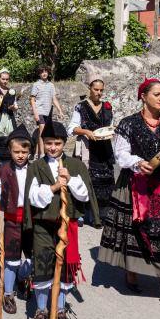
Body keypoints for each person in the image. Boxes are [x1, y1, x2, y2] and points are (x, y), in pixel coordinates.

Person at [98, 78, 160, 310]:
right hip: (136, 185)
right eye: (157, 94)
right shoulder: (128, 123)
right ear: (143, 96)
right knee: (136, 231)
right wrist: (138, 163)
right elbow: (121, 154)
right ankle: (132, 272)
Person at [25, 119, 99, 319]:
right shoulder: (35, 167)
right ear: (43, 143)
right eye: (48, 143)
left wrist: (70, 180)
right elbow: (33, 197)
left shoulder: (76, 166)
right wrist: (56, 186)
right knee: (42, 265)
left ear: (64, 144)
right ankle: (41, 310)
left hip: (67, 225)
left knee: (65, 267)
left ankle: (59, 309)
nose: (53, 148)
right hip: (43, 224)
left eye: (57, 143)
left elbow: (84, 195)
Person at [0, 125, 33, 314]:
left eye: (24, 151)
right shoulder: (4, 170)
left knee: (32, 256)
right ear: (9, 151)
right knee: (12, 257)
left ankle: (23, 278)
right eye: (16, 152)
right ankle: (8, 293)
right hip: (12, 220)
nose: (20, 155)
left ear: (30, 151)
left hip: (32, 221)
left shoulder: (36, 169)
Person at [68, 79, 115, 226]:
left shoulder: (107, 107)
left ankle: (102, 215)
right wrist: (86, 131)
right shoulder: (80, 107)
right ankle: (82, 214)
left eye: (101, 90)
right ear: (90, 89)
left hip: (104, 148)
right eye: (96, 90)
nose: (99, 93)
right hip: (87, 148)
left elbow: (111, 126)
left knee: (105, 181)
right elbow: (71, 128)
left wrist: (111, 131)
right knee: (84, 179)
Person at [30, 65, 63, 157]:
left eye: (46, 71)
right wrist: (35, 113)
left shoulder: (51, 85)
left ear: (48, 73)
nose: (44, 73)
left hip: (48, 112)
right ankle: (42, 155)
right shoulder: (36, 85)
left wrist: (60, 110)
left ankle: (36, 153)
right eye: (42, 72)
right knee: (42, 132)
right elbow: (32, 99)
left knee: (42, 132)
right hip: (39, 111)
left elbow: (54, 98)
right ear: (39, 74)